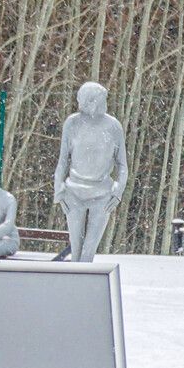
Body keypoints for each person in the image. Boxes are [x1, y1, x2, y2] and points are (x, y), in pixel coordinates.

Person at [53, 81, 128, 263]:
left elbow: (123, 166)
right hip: (73, 193)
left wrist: (118, 193)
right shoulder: (72, 124)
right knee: (76, 251)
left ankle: (84, 286)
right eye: (102, 100)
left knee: (88, 253)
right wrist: (59, 191)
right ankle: (73, 288)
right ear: (89, 102)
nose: (105, 104)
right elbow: (63, 161)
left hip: (103, 194)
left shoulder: (113, 126)